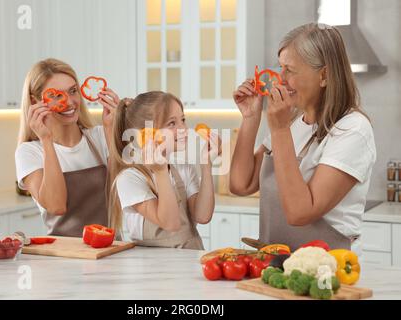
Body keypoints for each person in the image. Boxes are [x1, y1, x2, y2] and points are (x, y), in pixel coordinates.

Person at [230, 23, 376, 254]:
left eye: (290, 70)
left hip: (327, 272)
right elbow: (241, 184)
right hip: (276, 265)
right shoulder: (294, 123)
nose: (280, 78)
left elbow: (300, 212)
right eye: (280, 68)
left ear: (324, 75)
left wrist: (279, 130)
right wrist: (251, 117)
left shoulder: (352, 130)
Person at [15, 58, 119, 236]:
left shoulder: (100, 136)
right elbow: (56, 206)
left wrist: (113, 130)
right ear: (35, 102)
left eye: (73, 91)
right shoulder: (30, 152)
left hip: (112, 248)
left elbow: (124, 193)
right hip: (64, 256)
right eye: (56, 95)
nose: (70, 102)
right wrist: (46, 140)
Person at [109, 91, 221, 249]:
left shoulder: (184, 169)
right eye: (172, 123)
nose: (183, 128)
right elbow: (171, 223)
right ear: (146, 134)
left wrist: (206, 165)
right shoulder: (130, 178)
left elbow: (202, 216)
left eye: (183, 120)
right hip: (153, 267)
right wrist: (161, 172)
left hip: (191, 258)